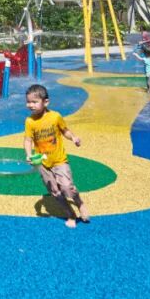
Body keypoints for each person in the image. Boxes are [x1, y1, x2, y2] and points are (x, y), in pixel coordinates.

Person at [23, 84, 89, 228]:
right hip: (43, 163)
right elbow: (28, 140)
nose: (30, 105)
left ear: (46, 102)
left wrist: (73, 138)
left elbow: (65, 131)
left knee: (67, 187)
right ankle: (70, 214)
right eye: (28, 102)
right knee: (55, 192)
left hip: (59, 160)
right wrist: (29, 154)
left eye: (34, 102)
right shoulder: (30, 121)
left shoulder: (55, 117)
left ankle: (79, 203)